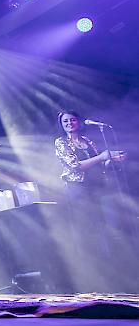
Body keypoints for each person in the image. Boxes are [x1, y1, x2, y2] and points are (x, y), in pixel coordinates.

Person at [54, 110, 126, 286]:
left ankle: (112, 270)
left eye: (72, 120)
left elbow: (100, 163)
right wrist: (102, 156)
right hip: (78, 188)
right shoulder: (61, 142)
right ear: (62, 125)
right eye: (65, 121)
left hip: (98, 187)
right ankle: (90, 275)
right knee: (86, 228)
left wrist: (112, 159)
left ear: (78, 122)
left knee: (106, 226)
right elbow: (75, 166)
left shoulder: (88, 141)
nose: (69, 123)